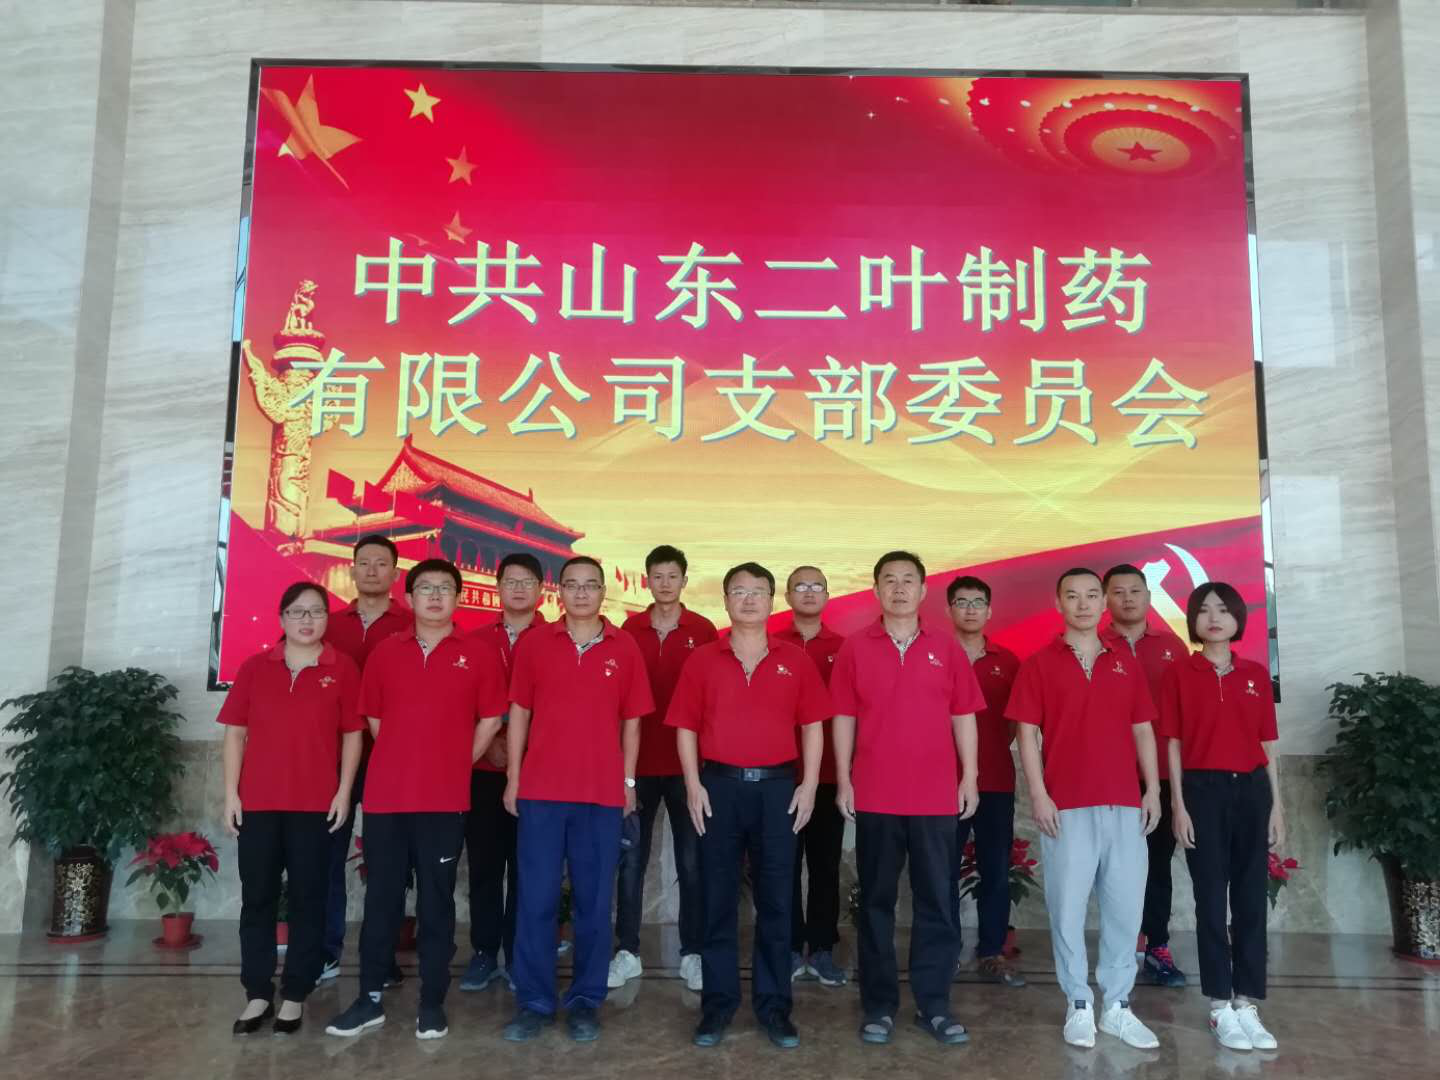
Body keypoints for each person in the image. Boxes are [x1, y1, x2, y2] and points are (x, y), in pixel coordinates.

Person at [325, 558, 507, 1041]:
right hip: (386, 797)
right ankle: (368, 1000)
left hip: (444, 800)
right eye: (426, 587)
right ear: (408, 597)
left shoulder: (477, 653)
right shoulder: (387, 651)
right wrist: (402, 754)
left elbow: (492, 718)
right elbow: (374, 718)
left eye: (445, 588)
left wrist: (457, 761)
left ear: (458, 598)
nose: (435, 595)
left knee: (437, 901)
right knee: (381, 899)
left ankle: (431, 1003)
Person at [669, 562, 829, 1050]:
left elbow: (813, 725)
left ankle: (774, 1007)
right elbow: (686, 726)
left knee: (776, 901)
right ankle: (717, 1006)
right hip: (718, 787)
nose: (749, 599)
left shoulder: (794, 660)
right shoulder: (702, 660)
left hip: (778, 790)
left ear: (771, 600)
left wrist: (809, 785)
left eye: (758, 591)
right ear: (726, 601)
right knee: (717, 900)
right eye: (739, 591)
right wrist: (693, 785)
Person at [832, 551, 984, 1047]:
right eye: (889, 580)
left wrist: (970, 776)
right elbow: (844, 716)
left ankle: (933, 1005)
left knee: (937, 901)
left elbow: (963, 714)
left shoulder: (947, 646)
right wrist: (844, 779)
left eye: (908, 581)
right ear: (876, 589)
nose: (899, 588)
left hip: (936, 797)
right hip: (876, 794)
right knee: (876, 902)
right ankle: (878, 1006)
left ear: (923, 591)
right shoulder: (856, 647)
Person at [1008, 568, 1162, 1051]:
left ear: (1103, 603)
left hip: (1125, 805)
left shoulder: (1125, 662)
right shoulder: (1039, 664)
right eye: (1072, 596)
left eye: (1092, 596)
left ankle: (1117, 1006)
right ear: (1059, 604)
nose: (1083, 604)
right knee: (1067, 910)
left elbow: (1143, 729)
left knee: (1125, 910)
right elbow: (1027, 735)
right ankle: (1078, 1003)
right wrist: (1039, 794)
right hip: (1067, 806)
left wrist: (1153, 790)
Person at [502, 556, 653, 1044]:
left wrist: (628, 783)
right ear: (559, 592)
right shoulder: (535, 644)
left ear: (603, 592)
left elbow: (633, 722)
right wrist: (514, 777)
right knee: (536, 900)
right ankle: (535, 1001)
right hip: (542, 792)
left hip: (600, 794)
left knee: (593, 902)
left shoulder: (624, 647)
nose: (582, 593)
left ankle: (586, 1000)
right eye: (572, 585)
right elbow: (519, 712)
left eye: (591, 585)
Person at [221, 582, 364, 1036]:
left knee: (309, 900)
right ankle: (257, 992)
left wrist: (343, 792)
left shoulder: (342, 668)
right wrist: (231, 794)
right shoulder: (255, 667)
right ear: (282, 618)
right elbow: (235, 733)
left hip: (315, 806)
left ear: (327, 619)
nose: (307, 620)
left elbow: (352, 734)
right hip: (258, 804)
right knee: (257, 898)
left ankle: (296, 993)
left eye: (317, 612)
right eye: (298, 612)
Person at [1161, 582, 1282, 1052]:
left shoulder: (1255, 674)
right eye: (1204, 610)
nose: (1214, 618)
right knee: (1211, 900)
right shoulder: (1179, 673)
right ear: (1193, 620)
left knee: (1251, 899)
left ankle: (1246, 1001)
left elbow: (1268, 745)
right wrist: (1178, 806)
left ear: (1237, 619)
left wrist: (1277, 807)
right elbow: (1173, 743)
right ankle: (1218, 1005)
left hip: (1251, 791)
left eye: (1223, 610)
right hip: (1202, 791)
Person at [612, 544, 717, 992]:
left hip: (688, 768)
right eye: (658, 576)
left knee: (692, 862)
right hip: (637, 765)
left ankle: (693, 952)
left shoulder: (704, 630)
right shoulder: (628, 630)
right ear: (647, 580)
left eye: (673, 576)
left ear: (684, 581)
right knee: (631, 861)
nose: (666, 583)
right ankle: (627, 951)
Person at [319, 534, 412, 984]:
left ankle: (382, 955)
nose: (372, 570)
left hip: (391, 759)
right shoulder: (327, 624)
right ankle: (325, 950)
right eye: (364, 562)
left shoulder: (414, 625)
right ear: (352, 569)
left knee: (387, 863)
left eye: (381, 563)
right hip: (331, 760)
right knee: (327, 855)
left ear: (395, 573)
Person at [459, 552, 549, 994]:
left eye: (527, 581)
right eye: (510, 581)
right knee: (485, 865)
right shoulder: (474, 641)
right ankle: (483, 951)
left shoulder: (555, 640)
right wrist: (492, 742)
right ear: (497, 588)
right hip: (482, 769)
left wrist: (519, 749)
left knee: (528, 867)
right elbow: (460, 704)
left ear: (541, 590)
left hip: (538, 773)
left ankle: (518, 954)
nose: (518, 589)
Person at [1102, 563, 1189, 988]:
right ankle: (1118, 948)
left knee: (1157, 864)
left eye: (1135, 591)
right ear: (1106, 600)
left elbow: (1186, 716)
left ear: (1149, 597)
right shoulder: (1094, 645)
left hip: (1162, 777)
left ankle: (1157, 945)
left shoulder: (1173, 647)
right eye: (1118, 592)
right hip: (1108, 776)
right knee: (1111, 867)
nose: (1128, 599)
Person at [945, 574, 1025, 988]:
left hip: (994, 781)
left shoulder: (1008, 662)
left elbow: (1013, 725)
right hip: (941, 783)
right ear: (949, 610)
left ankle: (992, 951)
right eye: (962, 602)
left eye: (978, 602)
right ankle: (945, 950)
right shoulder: (936, 655)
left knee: (995, 868)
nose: (970, 609)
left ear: (990, 611)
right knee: (942, 869)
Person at [774, 565, 848, 987]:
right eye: (800, 586)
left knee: (825, 865)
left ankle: (821, 948)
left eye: (816, 586)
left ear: (827, 596)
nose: (808, 592)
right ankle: (787, 947)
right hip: (780, 774)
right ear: (786, 596)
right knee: (782, 864)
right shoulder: (769, 643)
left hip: (828, 775)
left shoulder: (844, 648)